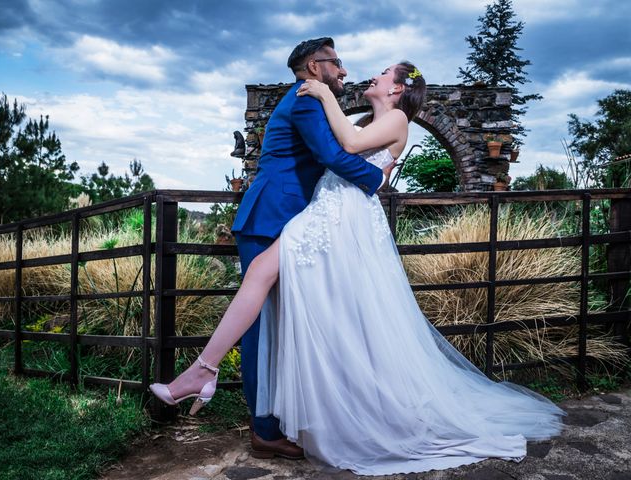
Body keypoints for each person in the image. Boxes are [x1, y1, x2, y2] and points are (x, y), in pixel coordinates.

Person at [151, 56, 567, 474]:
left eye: (385, 73)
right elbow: (335, 152)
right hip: (328, 212)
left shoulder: (398, 122)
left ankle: (203, 371)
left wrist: (324, 95)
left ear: (397, 89)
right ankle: (219, 376)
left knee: (265, 275)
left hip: (339, 217)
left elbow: (347, 146)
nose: (374, 74)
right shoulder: (374, 120)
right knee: (313, 305)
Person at [150, 37, 395, 460]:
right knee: (261, 328)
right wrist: (377, 180)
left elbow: (343, 146)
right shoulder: (305, 101)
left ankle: (279, 418)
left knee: (286, 325)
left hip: (291, 220)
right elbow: (333, 155)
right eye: (336, 63)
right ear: (314, 67)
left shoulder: (314, 102)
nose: (343, 71)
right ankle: (263, 429)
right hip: (271, 218)